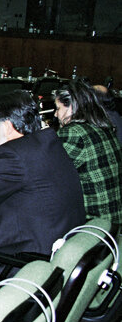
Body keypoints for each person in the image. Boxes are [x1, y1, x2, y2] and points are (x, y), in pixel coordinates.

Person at [0, 90, 85, 281]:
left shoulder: (13, 154)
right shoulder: (47, 142)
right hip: (56, 246)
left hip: (25, 261)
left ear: (8, 126)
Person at [54, 80, 122, 226]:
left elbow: (48, 171)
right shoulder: (103, 126)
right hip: (114, 220)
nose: (55, 114)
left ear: (71, 107)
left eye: (58, 108)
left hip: (94, 224)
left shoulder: (73, 133)